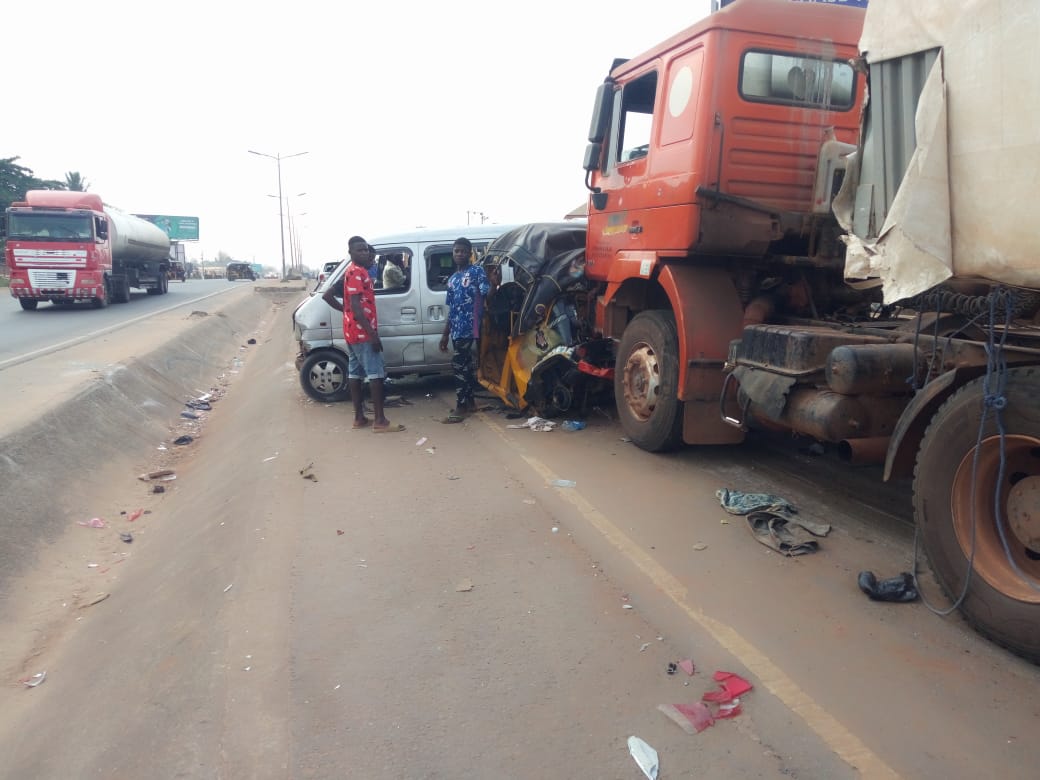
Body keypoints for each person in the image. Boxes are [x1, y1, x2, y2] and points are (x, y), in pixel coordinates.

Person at [322, 235, 404, 433]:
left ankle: (359, 418)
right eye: (360, 250)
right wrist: (372, 335)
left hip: (352, 332)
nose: (365, 253)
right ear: (350, 253)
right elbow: (358, 309)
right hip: (362, 333)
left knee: (355, 373)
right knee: (376, 375)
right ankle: (380, 421)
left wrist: (347, 311)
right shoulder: (357, 273)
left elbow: (339, 300)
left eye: (366, 250)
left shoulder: (352, 272)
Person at [439, 237, 497, 422]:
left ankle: (461, 406)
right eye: (457, 251)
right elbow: (452, 308)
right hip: (456, 328)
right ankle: (470, 403)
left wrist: (494, 284)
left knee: (458, 365)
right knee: (464, 366)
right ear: (453, 253)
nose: (460, 254)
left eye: (463, 251)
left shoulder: (477, 272)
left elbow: (487, 294)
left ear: (469, 253)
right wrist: (445, 334)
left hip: (470, 326)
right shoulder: (452, 279)